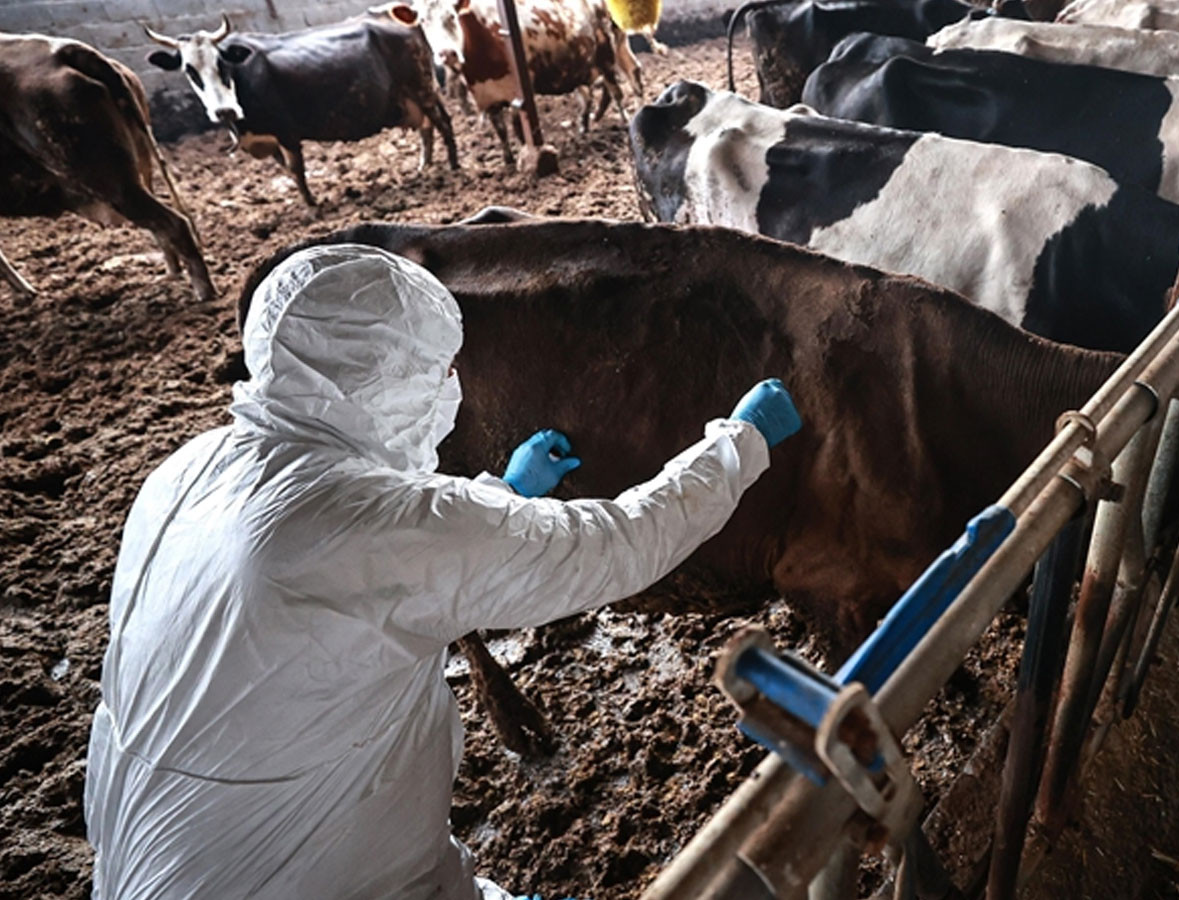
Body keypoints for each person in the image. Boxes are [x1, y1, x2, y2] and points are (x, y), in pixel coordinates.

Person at [83, 245, 802, 900]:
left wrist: (501, 495)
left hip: (151, 863)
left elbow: (372, 564)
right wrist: (738, 444)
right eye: (431, 369)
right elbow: (621, 542)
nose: (447, 385)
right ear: (385, 378)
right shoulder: (367, 524)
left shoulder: (189, 470)